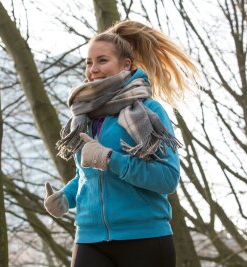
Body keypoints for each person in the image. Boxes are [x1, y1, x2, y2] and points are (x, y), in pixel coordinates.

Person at [44, 20, 197, 267]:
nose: (93, 69)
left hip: (145, 239)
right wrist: (66, 197)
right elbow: (88, 176)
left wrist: (110, 159)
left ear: (126, 65)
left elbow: (167, 179)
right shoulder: (84, 116)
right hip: (89, 239)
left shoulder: (148, 111)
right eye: (89, 62)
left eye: (102, 60)